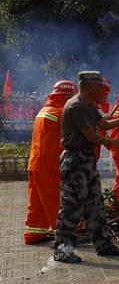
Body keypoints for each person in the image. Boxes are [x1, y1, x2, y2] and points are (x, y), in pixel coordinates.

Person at [52, 71, 119, 264]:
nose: (102, 89)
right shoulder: (76, 106)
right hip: (75, 159)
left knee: (95, 204)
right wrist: (114, 142)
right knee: (71, 206)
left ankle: (103, 244)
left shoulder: (89, 105)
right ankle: (62, 250)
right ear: (91, 86)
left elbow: (104, 123)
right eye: (100, 85)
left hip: (86, 159)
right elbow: (91, 135)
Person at [23, 81, 78, 244]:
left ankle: (33, 234)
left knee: (37, 203)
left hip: (36, 164)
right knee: (56, 203)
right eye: (72, 98)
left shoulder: (45, 110)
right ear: (66, 96)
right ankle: (65, 236)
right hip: (49, 166)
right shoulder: (62, 114)